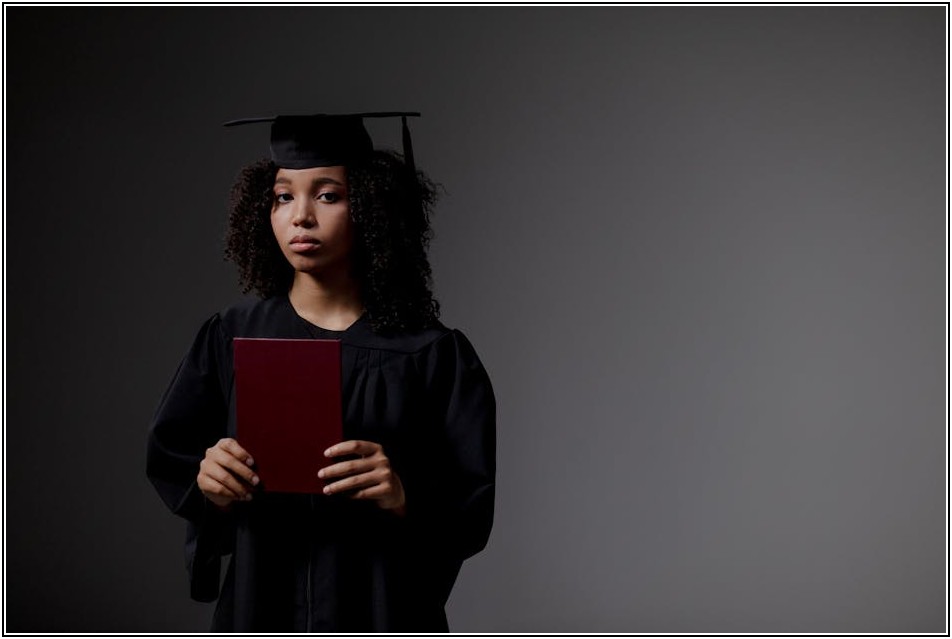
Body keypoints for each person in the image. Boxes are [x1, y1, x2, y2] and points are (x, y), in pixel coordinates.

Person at [146, 112, 496, 632]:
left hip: (380, 610)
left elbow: (469, 507)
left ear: (371, 208)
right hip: (261, 606)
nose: (300, 216)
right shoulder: (231, 334)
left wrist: (404, 496)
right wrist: (210, 484)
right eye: (283, 196)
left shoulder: (431, 354)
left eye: (328, 195)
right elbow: (175, 459)